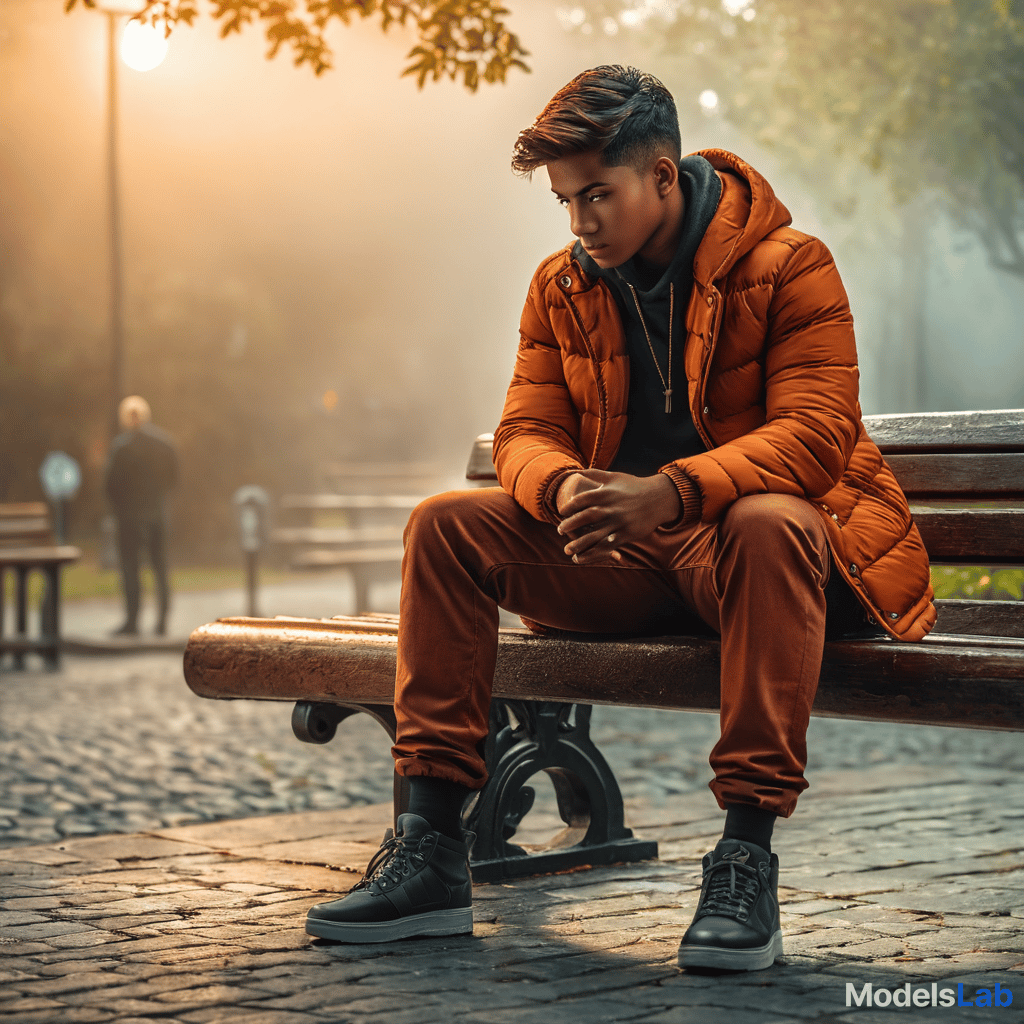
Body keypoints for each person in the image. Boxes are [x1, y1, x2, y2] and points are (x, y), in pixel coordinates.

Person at [305, 66, 935, 970]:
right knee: (446, 523)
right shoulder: (563, 286)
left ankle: (744, 860)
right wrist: (563, 490)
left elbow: (818, 434)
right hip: (636, 566)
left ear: (664, 176)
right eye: (565, 200)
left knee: (769, 521)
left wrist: (671, 491)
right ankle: (432, 851)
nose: (578, 222)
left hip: (771, 568)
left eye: (596, 194)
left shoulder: (792, 266)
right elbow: (525, 428)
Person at [104, 395, 178, 637]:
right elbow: (174, 479)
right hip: (157, 512)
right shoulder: (164, 443)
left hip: (129, 516)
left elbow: (111, 484)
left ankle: (132, 621)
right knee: (160, 566)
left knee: (130, 567)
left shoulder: (122, 447)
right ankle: (162, 621)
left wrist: (118, 507)